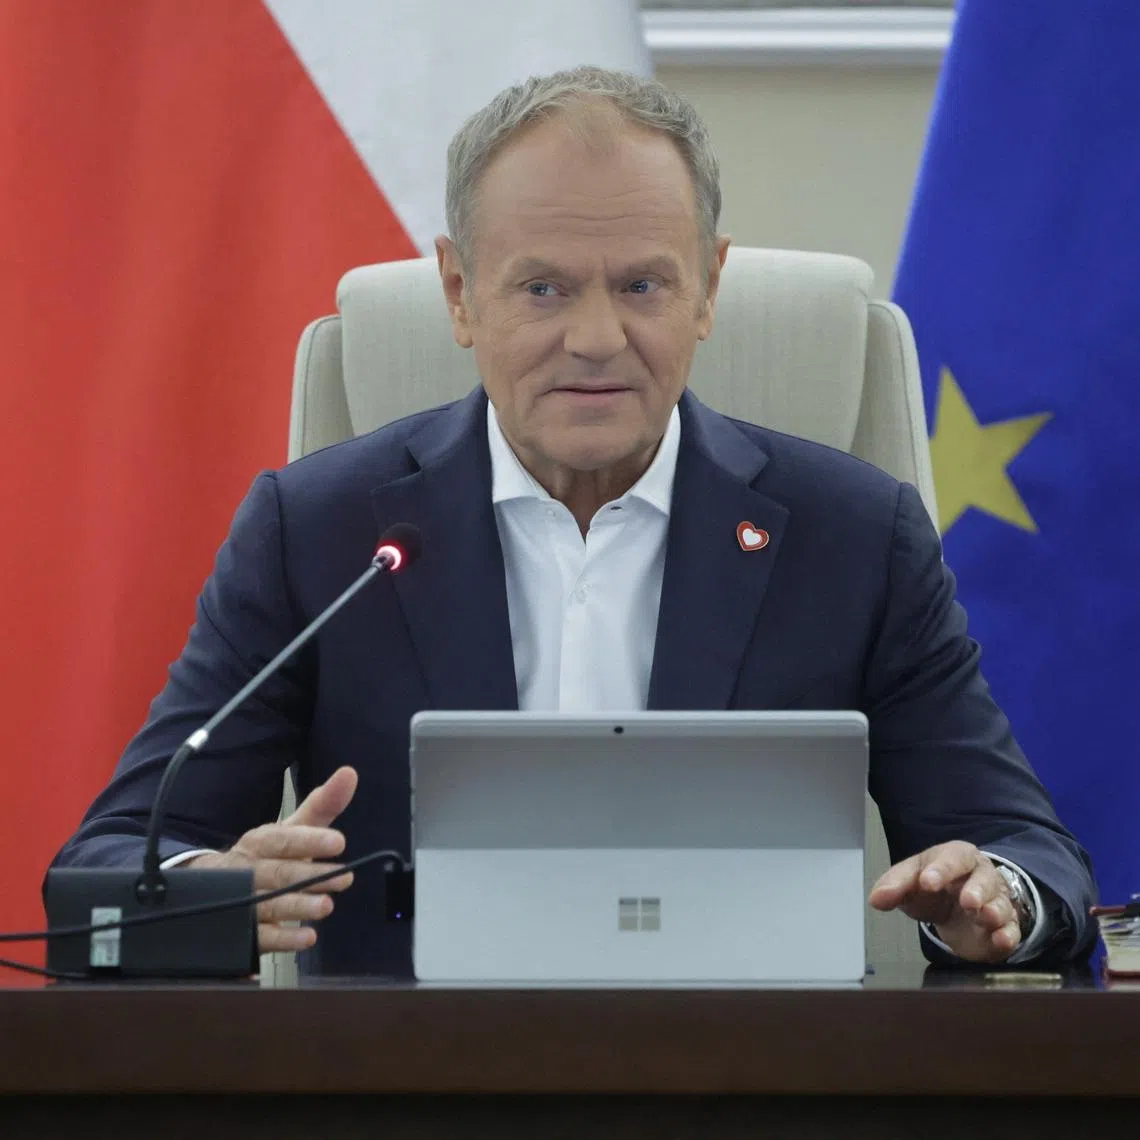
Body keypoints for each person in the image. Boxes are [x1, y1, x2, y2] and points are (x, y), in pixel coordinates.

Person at [52, 67, 1097, 975]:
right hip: (409, 1101)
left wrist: (990, 897)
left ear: (708, 290)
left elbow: (1025, 852)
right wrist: (213, 889)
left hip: (756, 1094)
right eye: (543, 289)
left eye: (643, 284)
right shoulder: (320, 532)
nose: (596, 339)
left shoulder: (855, 537)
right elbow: (106, 870)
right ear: (461, 294)